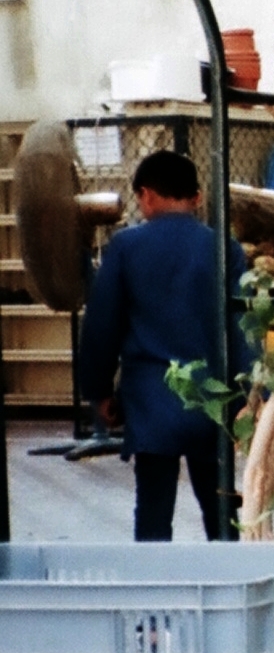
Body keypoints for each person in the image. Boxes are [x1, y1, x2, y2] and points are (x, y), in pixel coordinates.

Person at [74, 151, 247, 540]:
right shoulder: (226, 248)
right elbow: (243, 328)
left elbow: (102, 326)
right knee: (220, 506)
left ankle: (152, 591)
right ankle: (230, 580)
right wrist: (252, 397)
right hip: (213, 399)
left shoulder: (125, 247)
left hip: (150, 399)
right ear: (198, 198)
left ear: (146, 195)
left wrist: (98, 391)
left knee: (152, 507)